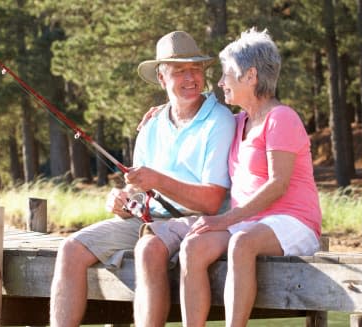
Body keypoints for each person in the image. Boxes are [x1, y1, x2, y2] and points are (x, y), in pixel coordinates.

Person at [49, 31, 236, 327]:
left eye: (195, 69)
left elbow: (212, 202)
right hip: (149, 219)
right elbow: (138, 191)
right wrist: (123, 201)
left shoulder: (220, 121)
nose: (190, 78)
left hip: (199, 222)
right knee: (70, 249)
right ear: (162, 79)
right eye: (179, 71)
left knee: (148, 248)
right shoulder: (151, 125)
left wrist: (157, 181)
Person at [178, 28, 322, 327]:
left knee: (241, 242)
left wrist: (224, 219)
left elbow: (278, 184)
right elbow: (193, 119)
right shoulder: (236, 122)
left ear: (250, 75)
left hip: (293, 221)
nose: (220, 83)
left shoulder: (281, 118)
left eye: (226, 74)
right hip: (249, 223)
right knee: (192, 246)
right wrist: (160, 111)